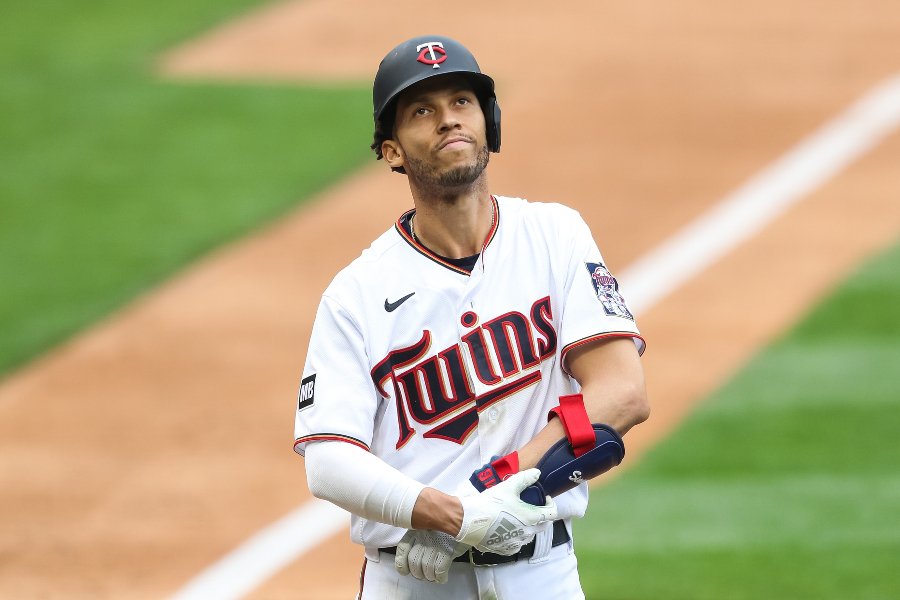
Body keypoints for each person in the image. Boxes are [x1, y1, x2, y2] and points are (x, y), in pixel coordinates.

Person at [293, 35, 649, 599]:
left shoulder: (554, 236)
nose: (448, 121)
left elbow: (622, 392)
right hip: (413, 581)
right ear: (392, 151)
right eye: (422, 111)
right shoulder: (356, 294)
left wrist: (493, 492)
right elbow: (329, 460)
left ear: (490, 122)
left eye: (462, 102)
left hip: (541, 576)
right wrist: (446, 516)